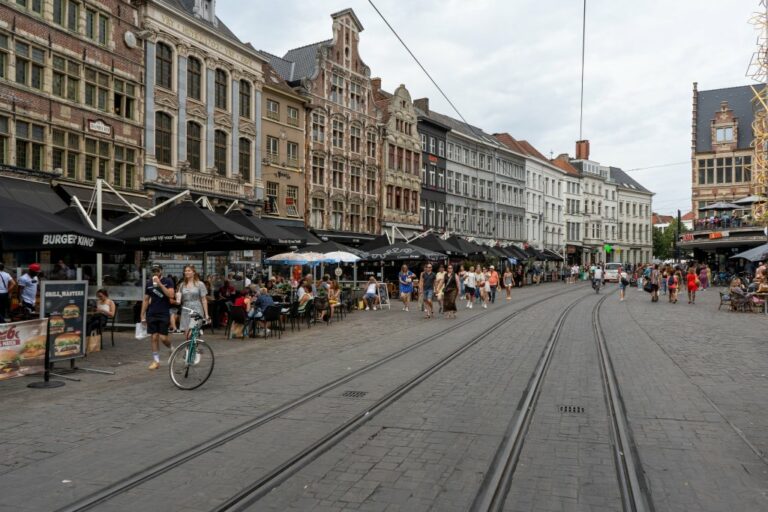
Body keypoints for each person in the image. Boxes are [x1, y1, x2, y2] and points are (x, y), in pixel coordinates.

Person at [140, 264, 175, 370]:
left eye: (157, 270)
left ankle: (171, 348)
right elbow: (146, 300)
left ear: (161, 271)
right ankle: (156, 361)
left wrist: (159, 284)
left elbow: (171, 295)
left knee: (163, 338)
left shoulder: (168, 281)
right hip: (152, 313)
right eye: (154, 271)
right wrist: (142, 315)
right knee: (154, 338)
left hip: (163, 312)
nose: (155, 272)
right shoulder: (149, 283)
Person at [177, 265, 209, 340]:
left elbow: (204, 299)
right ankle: (190, 350)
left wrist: (206, 314)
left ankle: (193, 346)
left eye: (189, 270)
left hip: (196, 309)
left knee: (191, 331)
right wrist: (177, 299)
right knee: (186, 333)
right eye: (185, 271)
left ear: (194, 272)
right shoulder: (182, 285)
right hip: (185, 309)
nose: (186, 272)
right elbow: (179, 299)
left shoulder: (200, 284)